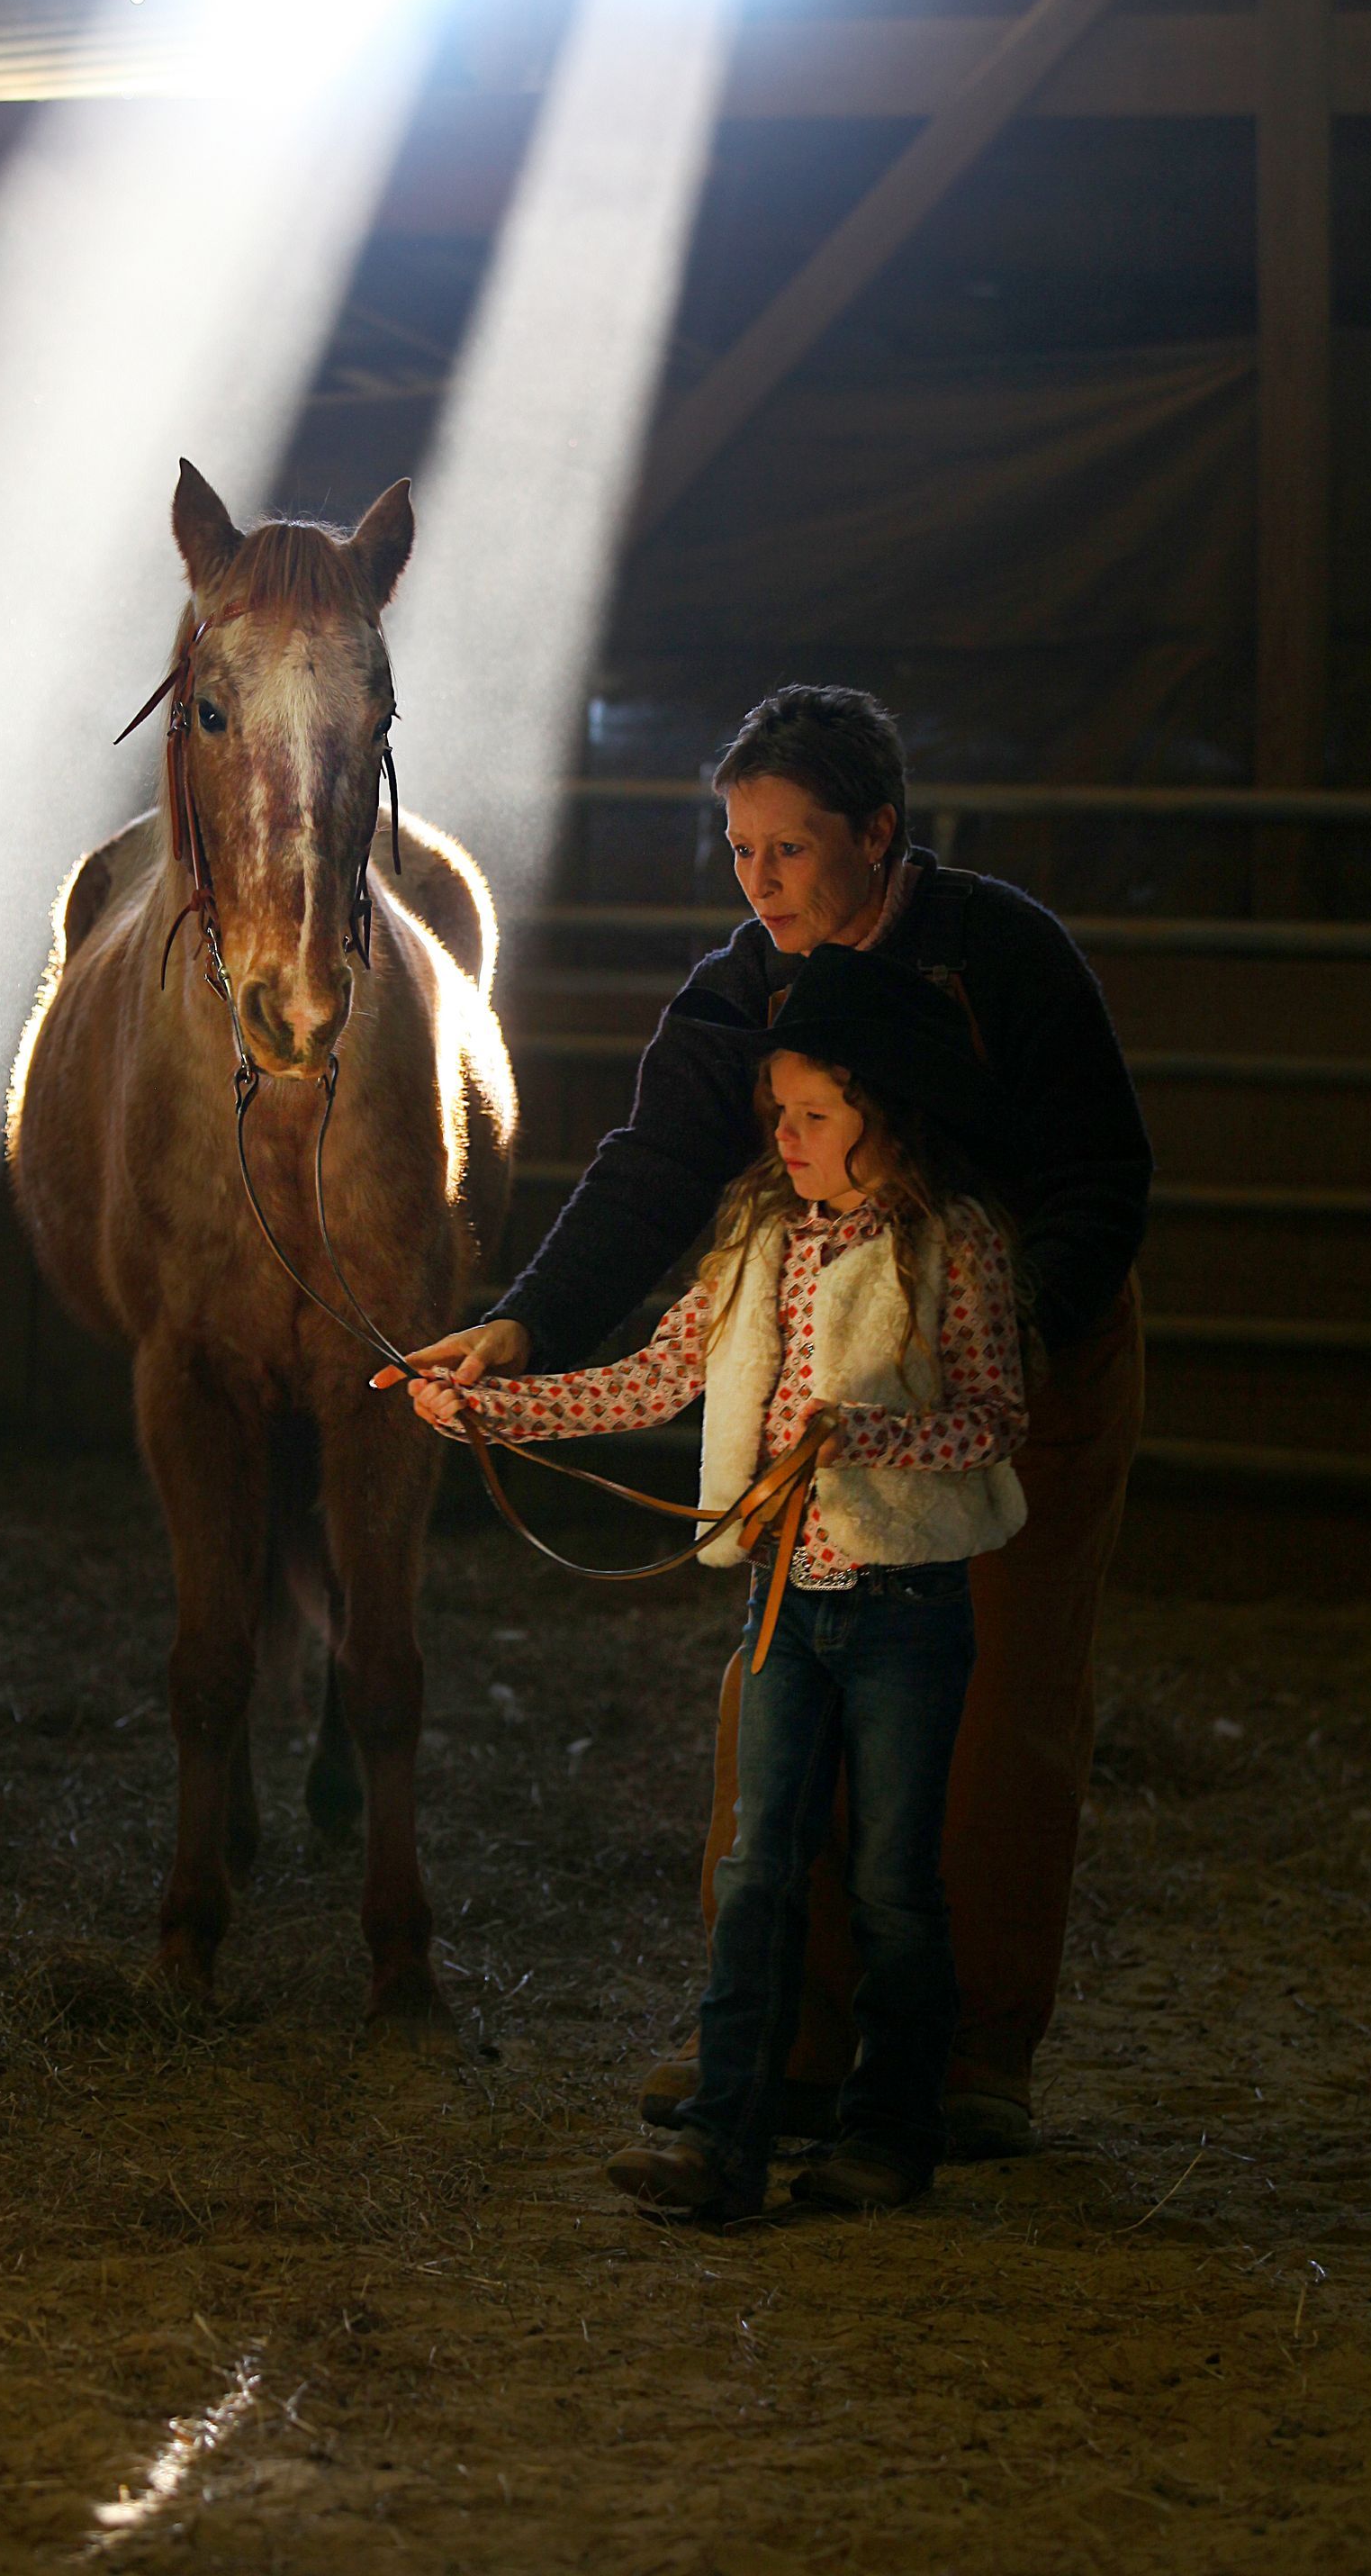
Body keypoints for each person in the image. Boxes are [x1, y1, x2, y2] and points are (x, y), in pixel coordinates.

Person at [410, 685, 1150, 2157]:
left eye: (791, 849)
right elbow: (651, 1171)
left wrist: (986, 1351)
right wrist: (527, 1330)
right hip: (822, 1371)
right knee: (791, 1697)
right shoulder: (742, 989)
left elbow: (1097, 1173)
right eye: (738, 847)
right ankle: (779, 2032)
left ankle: (969, 2052)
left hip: (1006, 1364)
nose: (758, 881)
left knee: (991, 1706)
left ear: (880, 836)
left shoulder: (1000, 955)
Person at [408, 951, 1028, 2217]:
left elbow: (993, 1419)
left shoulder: (951, 1250)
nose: (787, 1140)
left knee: (894, 1880)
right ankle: (721, 2138)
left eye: (814, 1117)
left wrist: (864, 1439)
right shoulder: (758, 1243)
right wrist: (497, 1412)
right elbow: (654, 1376)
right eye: (778, 1117)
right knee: (760, 1866)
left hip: (908, 1604)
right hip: (784, 1604)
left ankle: (887, 2136)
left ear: (884, 1117)